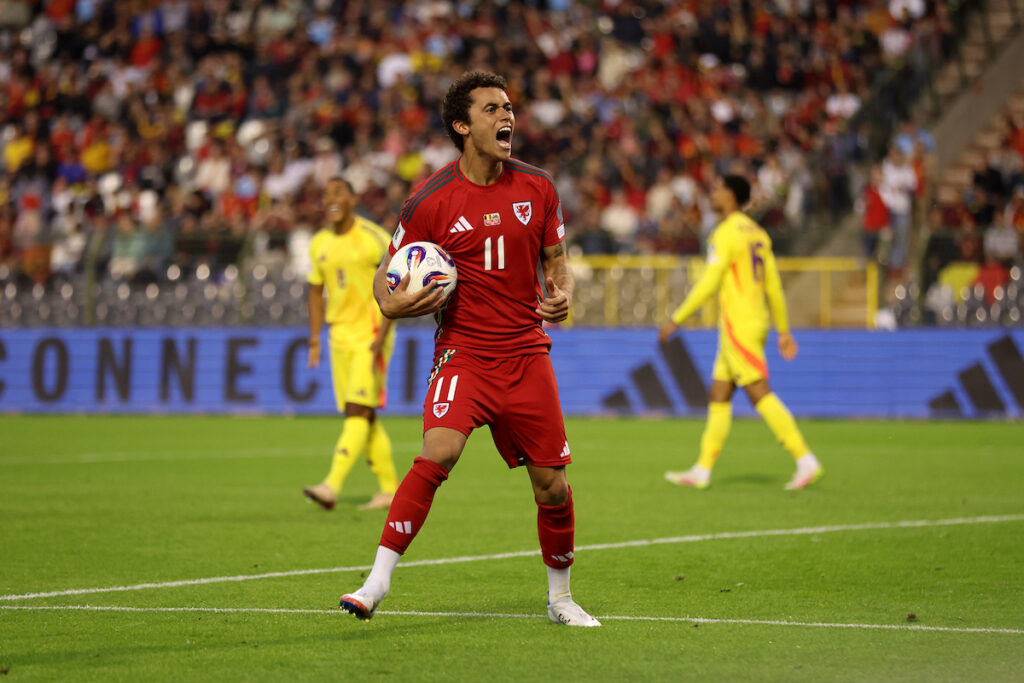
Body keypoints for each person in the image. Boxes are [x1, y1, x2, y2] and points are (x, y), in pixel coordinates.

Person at [339, 71, 600, 627]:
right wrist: (399, 303)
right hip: (464, 352)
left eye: (509, 107)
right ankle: (375, 581)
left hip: (528, 352)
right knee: (439, 452)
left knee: (552, 485)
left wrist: (563, 293)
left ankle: (560, 598)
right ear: (462, 126)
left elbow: (556, 261)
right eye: (491, 109)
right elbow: (385, 283)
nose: (507, 117)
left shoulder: (538, 187)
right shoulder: (429, 201)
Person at [658, 175, 822, 491]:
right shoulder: (758, 234)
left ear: (731, 197)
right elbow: (773, 285)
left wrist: (677, 318)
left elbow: (710, 280)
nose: (713, 192)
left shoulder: (726, 232)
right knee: (719, 392)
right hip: (753, 321)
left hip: (739, 325)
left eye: (718, 188)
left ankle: (805, 459)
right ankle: (702, 470)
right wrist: (783, 330)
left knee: (758, 390)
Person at [302, 177, 399, 512]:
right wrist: (315, 338)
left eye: (338, 192)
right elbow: (315, 291)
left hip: (371, 335)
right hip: (338, 337)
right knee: (362, 414)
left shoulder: (374, 238)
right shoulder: (319, 244)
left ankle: (331, 485)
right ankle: (389, 490)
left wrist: (383, 334)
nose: (331, 199)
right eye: (326, 193)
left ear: (352, 198)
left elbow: (395, 284)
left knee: (357, 411)